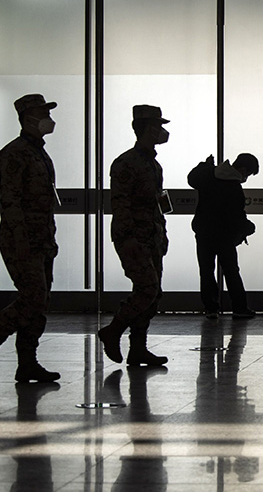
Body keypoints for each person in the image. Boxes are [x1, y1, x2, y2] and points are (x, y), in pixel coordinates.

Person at [0, 93, 61, 382]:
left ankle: (27, 362)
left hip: (42, 238)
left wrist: (49, 237)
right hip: (23, 239)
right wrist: (20, 240)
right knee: (31, 298)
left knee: (39, 302)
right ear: (28, 117)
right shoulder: (14, 153)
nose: (48, 119)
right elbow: (11, 201)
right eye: (43, 113)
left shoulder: (39, 152)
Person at [98, 104, 171, 367]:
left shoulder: (154, 165)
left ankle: (138, 348)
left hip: (152, 236)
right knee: (146, 289)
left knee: (153, 293)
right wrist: (128, 239)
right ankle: (113, 330)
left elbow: (157, 203)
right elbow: (120, 205)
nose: (163, 131)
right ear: (146, 129)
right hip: (133, 238)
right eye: (159, 126)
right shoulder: (125, 163)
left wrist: (162, 233)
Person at [188, 153, 260, 319]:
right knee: (231, 271)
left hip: (203, 232)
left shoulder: (210, 175)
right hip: (224, 236)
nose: (246, 177)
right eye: (247, 174)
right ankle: (239, 307)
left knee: (206, 270)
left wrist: (204, 166)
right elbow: (236, 215)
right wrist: (249, 228)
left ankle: (211, 308)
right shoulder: (233, 186)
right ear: (242, 169)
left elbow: (192, 179)